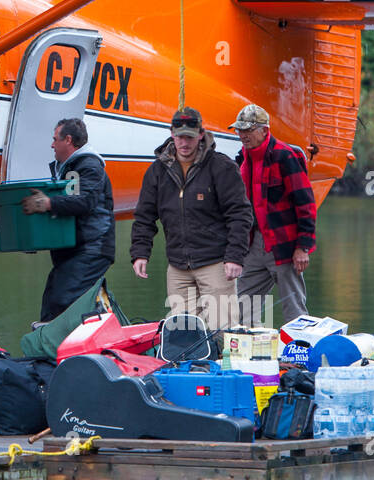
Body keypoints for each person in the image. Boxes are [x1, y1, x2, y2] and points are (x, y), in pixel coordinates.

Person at [130, 107, 252, 331]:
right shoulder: (157, 171)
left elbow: (240, 214)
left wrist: (235, 256)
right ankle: (189, 366)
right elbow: (144, 216)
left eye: (190, 137)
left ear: (201, 135)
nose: (184, 143)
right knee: (184, 334)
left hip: (216, 263)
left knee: (222, 331)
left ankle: (224, 364)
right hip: (177, 266)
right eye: (179, 137)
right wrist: (140, 253)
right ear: (171, 134)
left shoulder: (222, 166)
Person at [20, 117, 116, 324]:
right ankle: (55, 345)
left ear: (69, 140)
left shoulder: (89, 166)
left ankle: (61, 347)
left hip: (92, 247)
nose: (52, 144)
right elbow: (68, 207)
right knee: (55, 295)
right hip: (74, 249)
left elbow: (84, 202)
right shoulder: (68, 167)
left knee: (62, 299)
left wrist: (48, 204)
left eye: (55, 139)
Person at [231, 104, 315, 325]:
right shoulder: (242, 158)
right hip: (254, 243)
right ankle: (247, 353)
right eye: (240, 130)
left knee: (294, 309)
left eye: (248, 130)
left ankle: (298, 354)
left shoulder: (286, 156)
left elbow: (306, 203)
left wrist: (302, 247)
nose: (242, 135)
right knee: (242, 310)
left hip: (285, 246)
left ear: (264, 130)